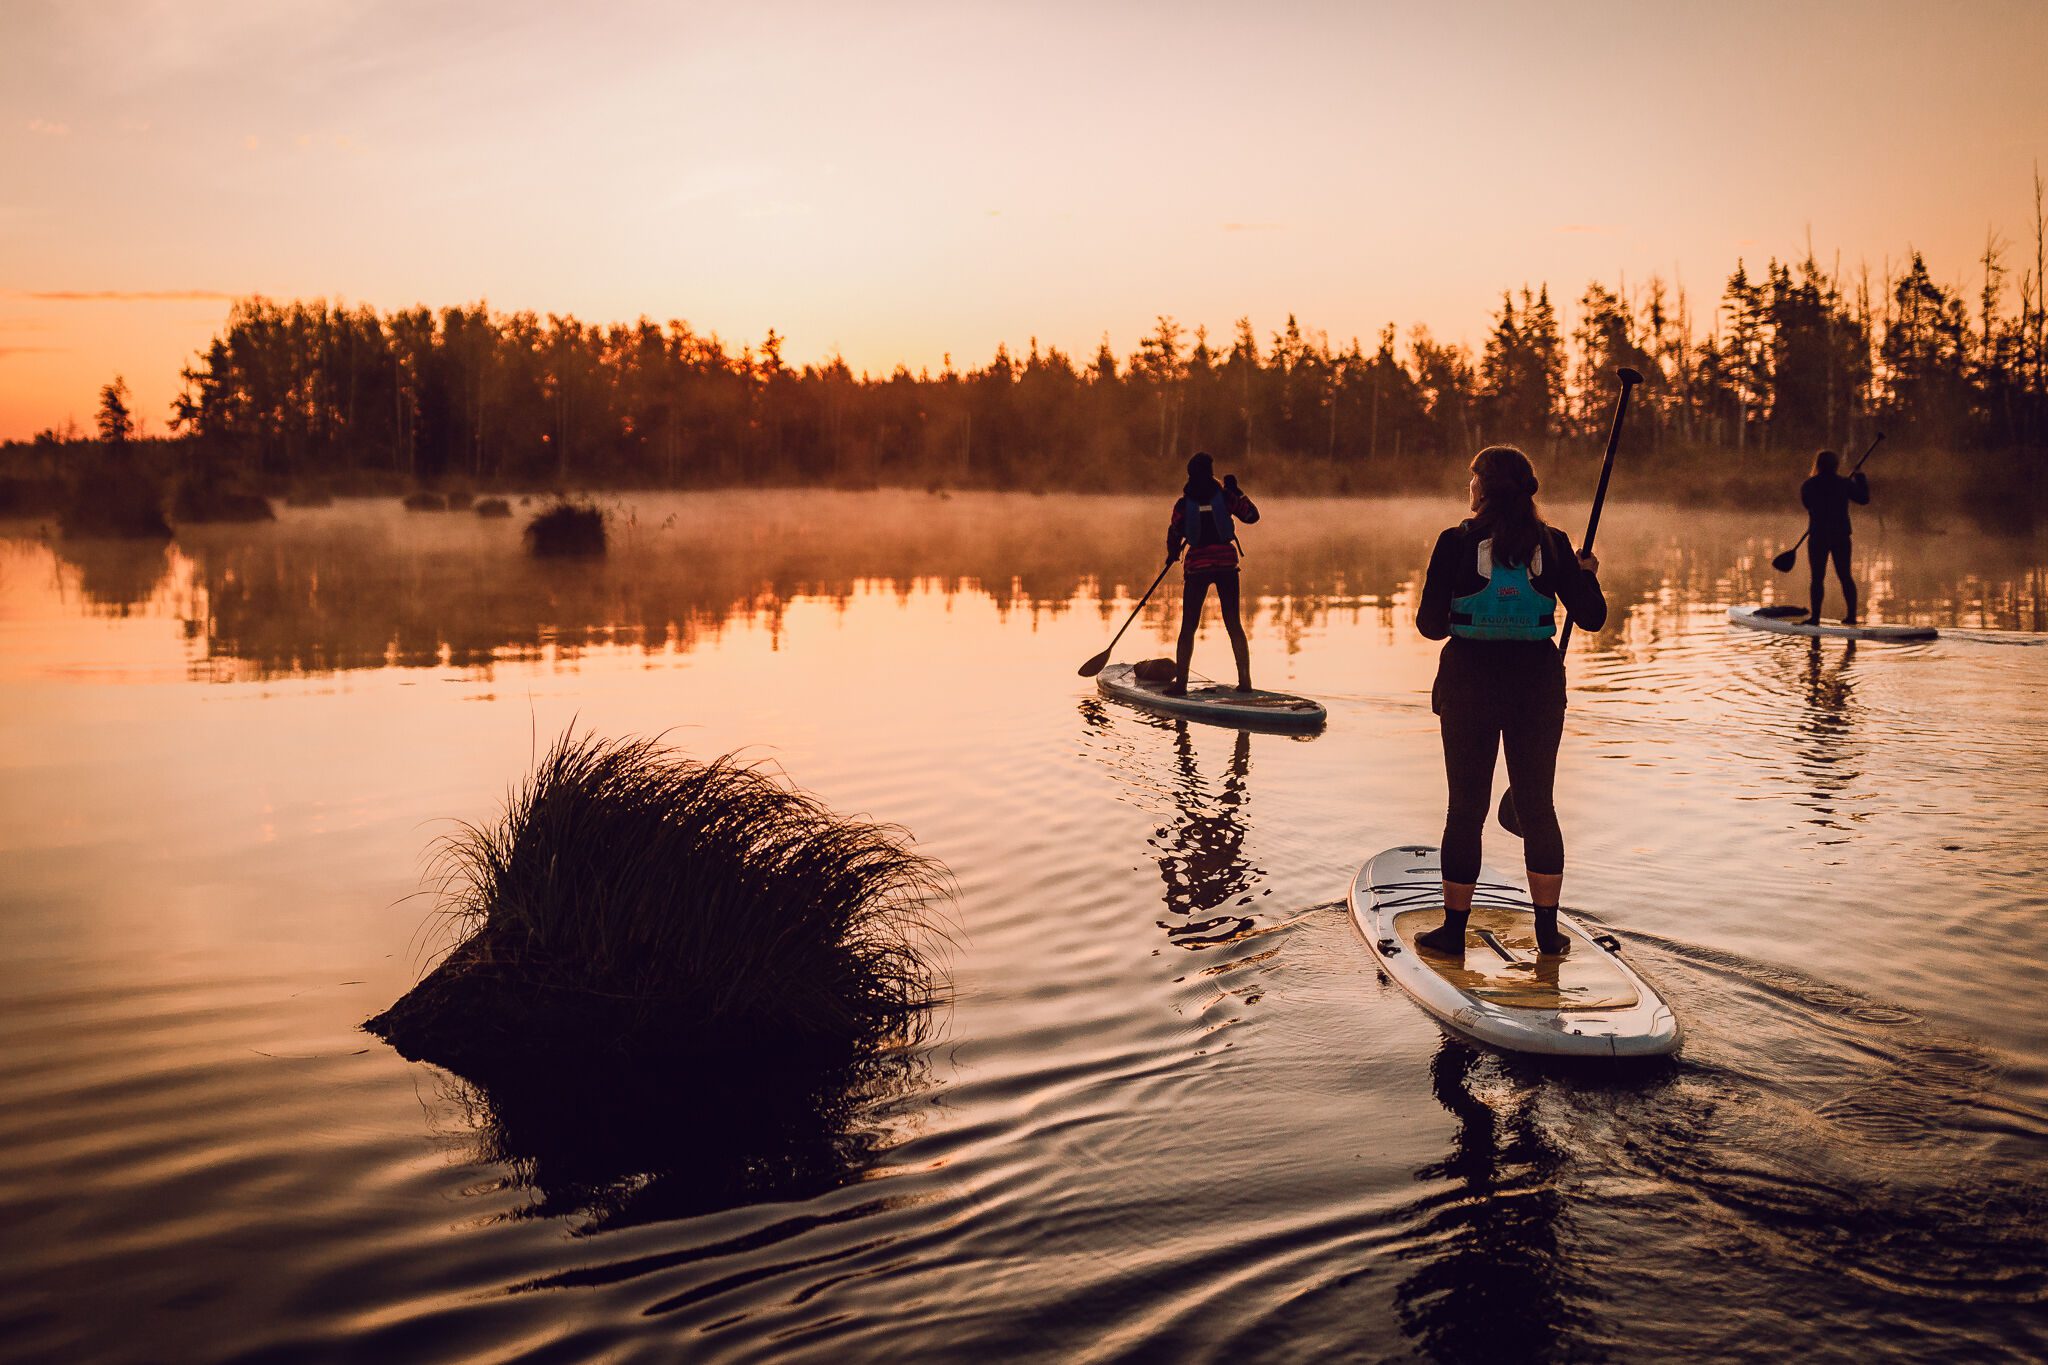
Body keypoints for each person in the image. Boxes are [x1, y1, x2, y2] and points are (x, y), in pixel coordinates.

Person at [1413, 445, 1606, 957]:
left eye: (1471, 476)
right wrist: (1584, 574)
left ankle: (1453, 933)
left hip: (1469, 684)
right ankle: (1548, 934)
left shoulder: (1454, 542)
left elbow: (1430, 627)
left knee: (1466, 810)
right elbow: (1591, 618)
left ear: (1483, 487)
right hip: (1536, 687)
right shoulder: (1556, 543)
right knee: (1538, 808)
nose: (1468, 484)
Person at [1164, 452, 1259, 695]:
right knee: (1234, 624)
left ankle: (1181, 686)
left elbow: (1175, 532)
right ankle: (1245, 683)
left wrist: (1172, 554)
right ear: (1211, 472)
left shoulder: (1183, 505)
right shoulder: (1226, 497)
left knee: (1189, 626)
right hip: (1227, 566)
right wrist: (1237, 491)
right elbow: (1251, 516)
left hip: (1197, 568)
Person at [1800, 448, 1869, 625]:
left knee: (1817, 577)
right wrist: (1859, 477)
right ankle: (1851, 616)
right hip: (1840, 535)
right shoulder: (1844, 484)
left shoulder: (1809, 485)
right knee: (1845, 575)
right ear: (1836, 465)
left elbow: (1807, 505)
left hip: (1818, 535)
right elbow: (1863, 499)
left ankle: (1815, 618)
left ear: (1818, 465)